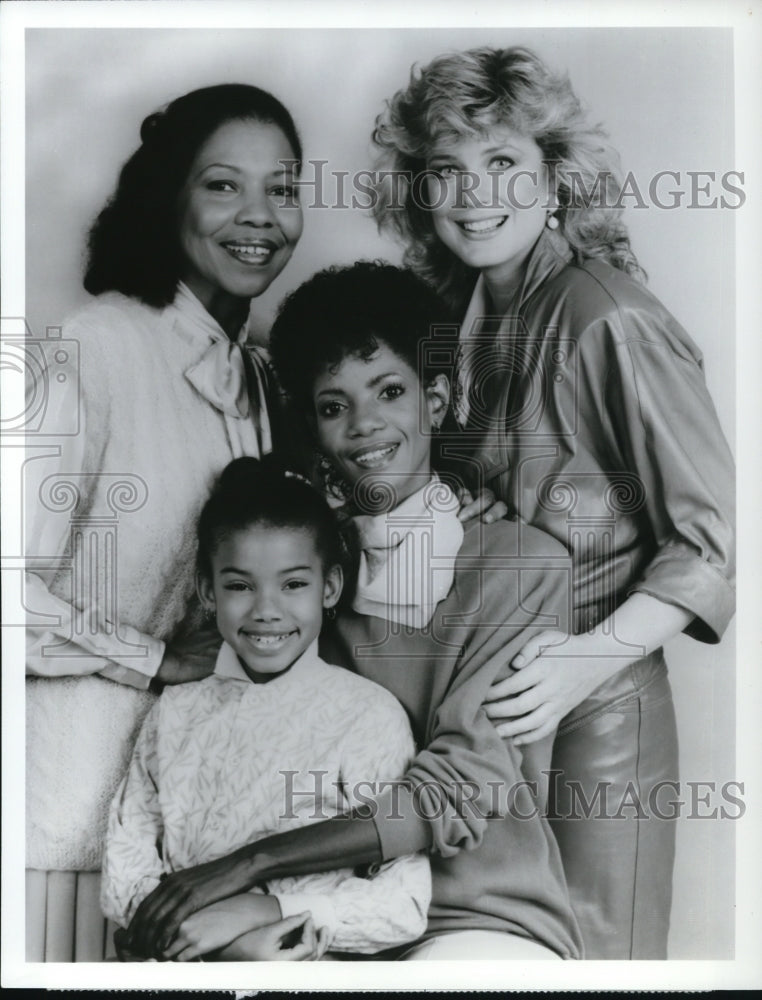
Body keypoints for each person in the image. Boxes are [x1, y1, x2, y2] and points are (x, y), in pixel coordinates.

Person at [370, 46, 736, 958]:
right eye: (447, 170)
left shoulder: (609, 315)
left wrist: (583, 663)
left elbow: (708, 542)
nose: (472, 194)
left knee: (598, 961)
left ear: (555, 179)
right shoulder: (451, 312)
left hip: (594, 710)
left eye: (503, 164)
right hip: (484, 707)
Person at [121, 261, 583, 962]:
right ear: (315, 430)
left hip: (475, 917)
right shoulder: (306, 578)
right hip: (318, 903)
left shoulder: (521, 566)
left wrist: (250, 870)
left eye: (390, 392)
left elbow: (459, 788)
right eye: (334, 406)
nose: (365, 426)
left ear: (437, 399)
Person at [25, 83, 304, 961]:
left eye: (284, 189)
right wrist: (151, 657)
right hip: (62, 826)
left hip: (194, 844)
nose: (259, 216)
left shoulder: (263, 382)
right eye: (224, 185)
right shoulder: (95, 346)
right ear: (169, 196)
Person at [101, 458, 431, 961]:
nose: (266, 610)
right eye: (240, 586)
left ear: (330, 587)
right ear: (209, 591)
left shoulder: (367, 716)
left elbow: (403, 901)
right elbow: (127, 863)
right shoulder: (176, 709)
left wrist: (274, 914)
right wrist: (206, 944)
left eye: (293, 584)